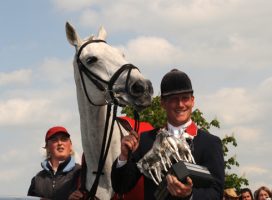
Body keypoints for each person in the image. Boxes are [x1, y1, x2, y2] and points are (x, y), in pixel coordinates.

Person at [111, 69, 225, 199]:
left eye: (185, 98)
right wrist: (124, 157)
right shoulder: (146, 140)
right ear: (163, 103)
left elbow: (216, 193)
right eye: (174, 99)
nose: (180, 104)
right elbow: (121, 187)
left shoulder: (210, 143)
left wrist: (190, 195)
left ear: (192, 101)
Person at [28, 126, 83, 200]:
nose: (60, 143)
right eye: (54, 140)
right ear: (47, 147)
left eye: (64, 139)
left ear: (70, 145)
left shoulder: (81, 173)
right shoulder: (38, 179)